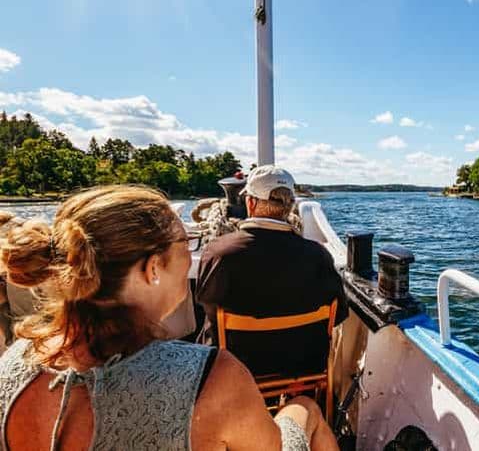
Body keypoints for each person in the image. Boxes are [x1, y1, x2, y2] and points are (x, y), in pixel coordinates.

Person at [0, 185, 337, 450]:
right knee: (305, 409)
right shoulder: (214, 378)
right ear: (152, 268)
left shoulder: (13, 363)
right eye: (185, 241)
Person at [196, 165, 348, 377]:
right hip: (304, 366)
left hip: (235, 371)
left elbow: (209, 309)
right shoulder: (318, 255)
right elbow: (339, 313)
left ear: (250, 202)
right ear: (290, 206)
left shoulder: (219, 253)